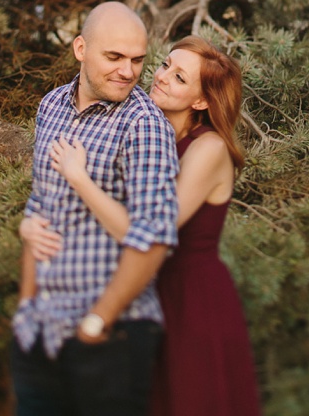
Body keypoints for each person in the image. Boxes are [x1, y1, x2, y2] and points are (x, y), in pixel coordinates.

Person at [22, 36, 263, 416]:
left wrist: (80, 179)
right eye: (166, 65)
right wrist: (32, 225)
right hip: (136, 289)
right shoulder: (145, 130)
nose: (162, 77)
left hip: (189, 296)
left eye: (180, 77)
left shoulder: (209, 149)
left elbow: (148, 228)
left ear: (201, 100)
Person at [11, 1, 180, 416]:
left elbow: (155, 237)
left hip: (109, 339)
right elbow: (41, 206)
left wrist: (98, 321)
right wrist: (26, 305)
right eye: (114, 57)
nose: (128, 71)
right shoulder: (50, 106)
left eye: (138, 60)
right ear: (81, 48)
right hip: (42, 330)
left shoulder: (144, 124)